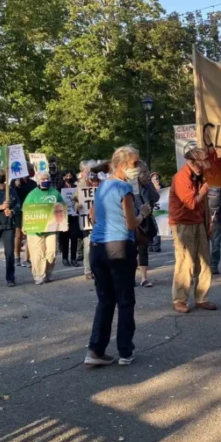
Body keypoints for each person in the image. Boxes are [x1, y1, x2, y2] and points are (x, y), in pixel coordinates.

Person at [85, 146, 151, 367]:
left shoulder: (102, 186)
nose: (138, 167)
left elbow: (93, 216)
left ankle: (95, 349)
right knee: (125, 300)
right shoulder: (124, 188)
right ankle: (125, 351)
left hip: (97, 246)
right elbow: (131, 223)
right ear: (123, 166)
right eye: (135, 163)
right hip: (119, 246)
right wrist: (143, 213)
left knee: (104, 300)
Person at [169, 147, 216, 313]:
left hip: (198, 222)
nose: (202, 168)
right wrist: (204, 190)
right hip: (183, 223)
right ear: (191, 163)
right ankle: (179, 299)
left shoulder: (199, 177)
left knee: (205, 261)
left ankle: (202, 298)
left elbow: (203, 205)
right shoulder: (181, 178)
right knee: (186, 261)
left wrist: (208, 223)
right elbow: (191, 203)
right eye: (200, 165)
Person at [23, 171, 64, 285]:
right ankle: (38, 275)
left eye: (47, 179)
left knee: (52, 252)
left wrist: (64, 224)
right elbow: (26, 210)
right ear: (38, 181)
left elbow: (62, 208)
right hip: (35, 228)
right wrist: (24, 225)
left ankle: (48, 273)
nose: (45, 181)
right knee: (37, 253)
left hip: (51, 228)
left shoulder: (55, 193)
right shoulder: (32, 194)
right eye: (42, 179)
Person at [133, 163, 160, 287]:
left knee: (143, 248)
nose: (146, 175)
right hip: (133, 219)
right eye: (143, 172)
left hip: (145, 219)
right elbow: (136, 201)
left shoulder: (148, 185)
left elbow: (156, 197)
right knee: (131, 251)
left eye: (147, 172)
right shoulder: (132, 185)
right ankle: (130, 277)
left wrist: (149, 185)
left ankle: (144, 278)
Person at [74, 165, 101, 280]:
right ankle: (88, 270)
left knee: (101, 246)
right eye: (91, 181)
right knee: (88, 246)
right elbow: (74, 201)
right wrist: (77, 206)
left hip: (101, 220)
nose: (93, 183)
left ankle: (99, 269)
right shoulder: (81, 186)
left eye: (95, 180)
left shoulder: (103, 185)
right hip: (87, 221)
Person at [12, 165, 37, 268]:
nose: (30, 172)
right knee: (18, 234)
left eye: (31, 170)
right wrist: (15, 186)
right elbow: (10, 195)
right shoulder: (14, 182)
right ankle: (17, 257)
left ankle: (27, 258)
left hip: (29, 211)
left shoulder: (33, 183)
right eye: (29, 170)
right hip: (18, 211)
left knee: (29, 235)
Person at [59, 171, 82, 266]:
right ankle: (65, 258)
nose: (68, 177)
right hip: (63, 216)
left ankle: (73, 258)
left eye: (70, 175)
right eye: (66, 175)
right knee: (64, 238)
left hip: (74, 216)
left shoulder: (76, 188)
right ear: (63, 177)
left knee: (74, 237)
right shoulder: (59, 188)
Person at [148, 172, 163, 253]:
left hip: (159, 212)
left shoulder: (163, 187)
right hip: (151, 210)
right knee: (150, 227)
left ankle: (156, 246)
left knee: (157, 228)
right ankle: (150, 245)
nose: (156, 180)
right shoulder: (148, 187)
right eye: (154, 178)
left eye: (157, 178)